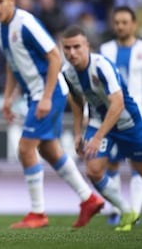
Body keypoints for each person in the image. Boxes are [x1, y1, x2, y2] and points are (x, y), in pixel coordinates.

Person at [0, 0, 103, 229]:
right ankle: (89, 198)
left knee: (25, 148)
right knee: (50, 151)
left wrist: (47, 97)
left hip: (49, 92)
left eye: (0, 1)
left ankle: (38, 213)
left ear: (12, 1)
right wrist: (8, 97)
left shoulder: (25, 23)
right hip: (33, 95)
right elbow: (12, 62)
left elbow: (54, 56)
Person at [61, 24, 142, 232]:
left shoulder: (101, 65)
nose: (72, 53)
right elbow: (77, 101)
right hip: (99, 120)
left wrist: (97, 137)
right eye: (67, 48)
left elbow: (118, 103)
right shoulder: (68, 72)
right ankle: (126, 211)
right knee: (94, 170)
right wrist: (78, 132)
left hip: (127, 122)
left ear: (87, 46)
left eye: (76, 47)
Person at [99, 6, 142, 225]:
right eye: (117, 22)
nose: (121, 26)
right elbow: (96, 85)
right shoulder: (105, 50)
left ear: (133, 24)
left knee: (138, 163)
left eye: (125, 22)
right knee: (111, 164)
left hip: (137, 116)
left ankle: (135, 211)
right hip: (112, 116)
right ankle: (116, 211)